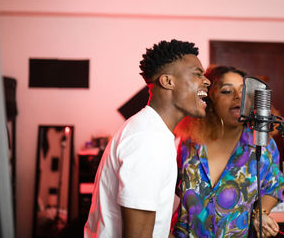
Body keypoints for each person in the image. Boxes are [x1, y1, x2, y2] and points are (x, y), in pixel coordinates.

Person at [84, 39, 211, 238]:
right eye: (197, 74)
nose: (207, 81)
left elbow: (153, 227)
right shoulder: (148, 140)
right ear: (168, 81)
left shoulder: (153, 132)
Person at [172, 65, 284, 237]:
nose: (238, 97)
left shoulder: (262, 143)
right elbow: (172, 187)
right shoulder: (188, 142)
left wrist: (260, 214)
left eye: (243, 91)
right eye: (226, 91)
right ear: (210, 99)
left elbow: (273, 186)